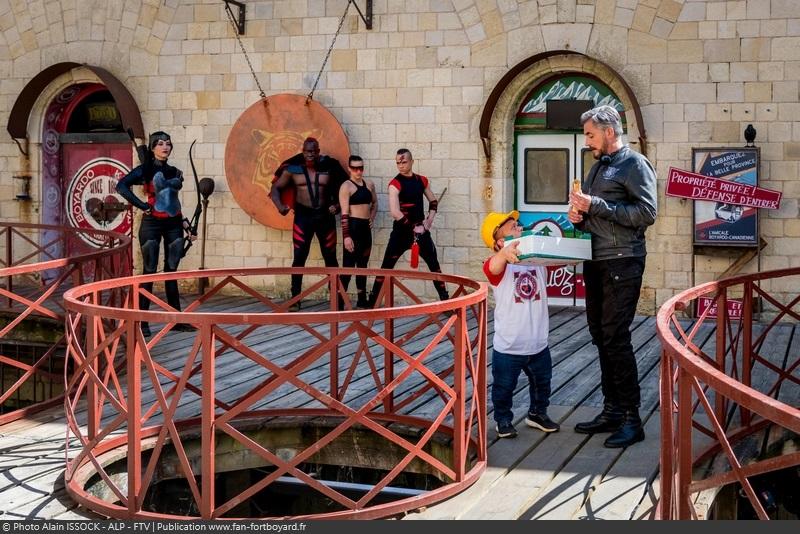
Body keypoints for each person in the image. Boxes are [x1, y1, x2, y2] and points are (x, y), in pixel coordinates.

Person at [567, 105, 657, 448]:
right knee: (599, 335)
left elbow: (647, 213)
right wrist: (579, 217)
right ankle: (612, 411)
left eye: (590, 134)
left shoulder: (635, 164)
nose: (586, 141)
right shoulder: (596, 168)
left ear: (609, 132)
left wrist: (596, 207)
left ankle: (632, 420)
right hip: (596, 259)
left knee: (615, 336)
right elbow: (596, 217)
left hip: (625, 261)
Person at [481, 210, 559, 439]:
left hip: (538, 341)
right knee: (504, 386)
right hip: (509, 344)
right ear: (499, 240)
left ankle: (537, 413)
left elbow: (559, 257)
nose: (519, 228)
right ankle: (503, 419)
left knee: (543, 383)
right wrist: (504, 254)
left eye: (518, 224)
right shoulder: (500, 265)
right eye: (512, 226)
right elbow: (492, 268)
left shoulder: (535, 259)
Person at [116, 131, 196, 337]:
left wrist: (186, 223)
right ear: (152, 148)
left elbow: (172, 200)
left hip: (174, 222)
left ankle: (176, 319)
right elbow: (121, 186)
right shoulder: (145, 170)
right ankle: (142, 322)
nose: (165, 147)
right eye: (160, 144)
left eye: (168, 143)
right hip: (152, 223)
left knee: (172, 272)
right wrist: (143, 205)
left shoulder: (176, 172)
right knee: (149, 271)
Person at [270, 137, 347, 310]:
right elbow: (275, 188)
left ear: (318, 151)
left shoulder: (330, 166)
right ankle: (295, 298)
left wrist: (337, 205)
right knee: (298, 259)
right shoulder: (293, 168)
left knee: (331, 259)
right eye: (307, 151)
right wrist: (279, 206)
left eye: (314, 151)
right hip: (303, 218)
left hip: (325, 217)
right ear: (303, 151)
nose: (310, 154)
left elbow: (347, 188)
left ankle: (336, 298)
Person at [368, 148, 449, 307]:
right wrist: (414, 227)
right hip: (401, 232)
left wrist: (429, 221)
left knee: (434, 266)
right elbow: (395, 212)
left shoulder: (421, 180)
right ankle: (371, 304)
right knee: (386, 268)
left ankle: (446, 302)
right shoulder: (395, 184)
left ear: (412, 161)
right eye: (398, 162)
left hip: (421, 232)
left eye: (404, 162)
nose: (400, 165)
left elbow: (433, 202)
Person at [339, 155, 377, 308]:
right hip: (353, 227)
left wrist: (372, 217)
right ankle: (340, 300)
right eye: (355, 168)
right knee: (348, 265)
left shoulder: (369, 184)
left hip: (365, 229)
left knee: (363, 266)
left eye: (361, 168)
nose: (358, 171)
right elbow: (344, 214)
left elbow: (375, 203)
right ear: (349, 168)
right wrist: (346, 236)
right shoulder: (346, 186)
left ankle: (362, 299)